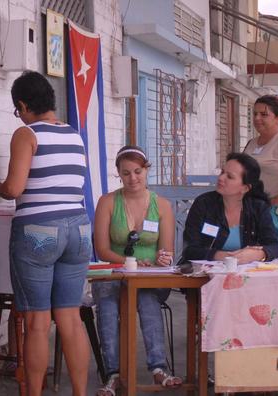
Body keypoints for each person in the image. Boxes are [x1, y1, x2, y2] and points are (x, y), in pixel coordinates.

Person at [0, 71, 91, 396]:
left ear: (22, 105)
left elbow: (15, 187)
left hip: (38, 232)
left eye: (17, 111)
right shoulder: (74, 134)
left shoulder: (26, 134)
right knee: (70, 318)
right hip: (78, 229)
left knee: (36, 322)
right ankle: (78, 391)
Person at [92, 146, 182, 395]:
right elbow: (101, 249)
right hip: (115, 272)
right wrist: (127, 261)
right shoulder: (108, 202)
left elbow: (167, 250)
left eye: (138, 172)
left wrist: (161, 259)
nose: (133, 178)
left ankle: (158, 368)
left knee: (146, 296)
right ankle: (113, 374)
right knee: (108, 304)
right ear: (119, 175)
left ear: (147, 170)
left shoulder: (161, 205)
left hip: (150, 275)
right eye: (126, 173)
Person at [182, 152, 278, 264]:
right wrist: (225, 257)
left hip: (244, 275)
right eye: (222, 172)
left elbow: (275, 248)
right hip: (203, 274)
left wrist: (259, 254)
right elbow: (189, 250)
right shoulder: (204, 203)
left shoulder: (258, 208)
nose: (221, 178)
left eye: (229, 176)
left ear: (245, 188)